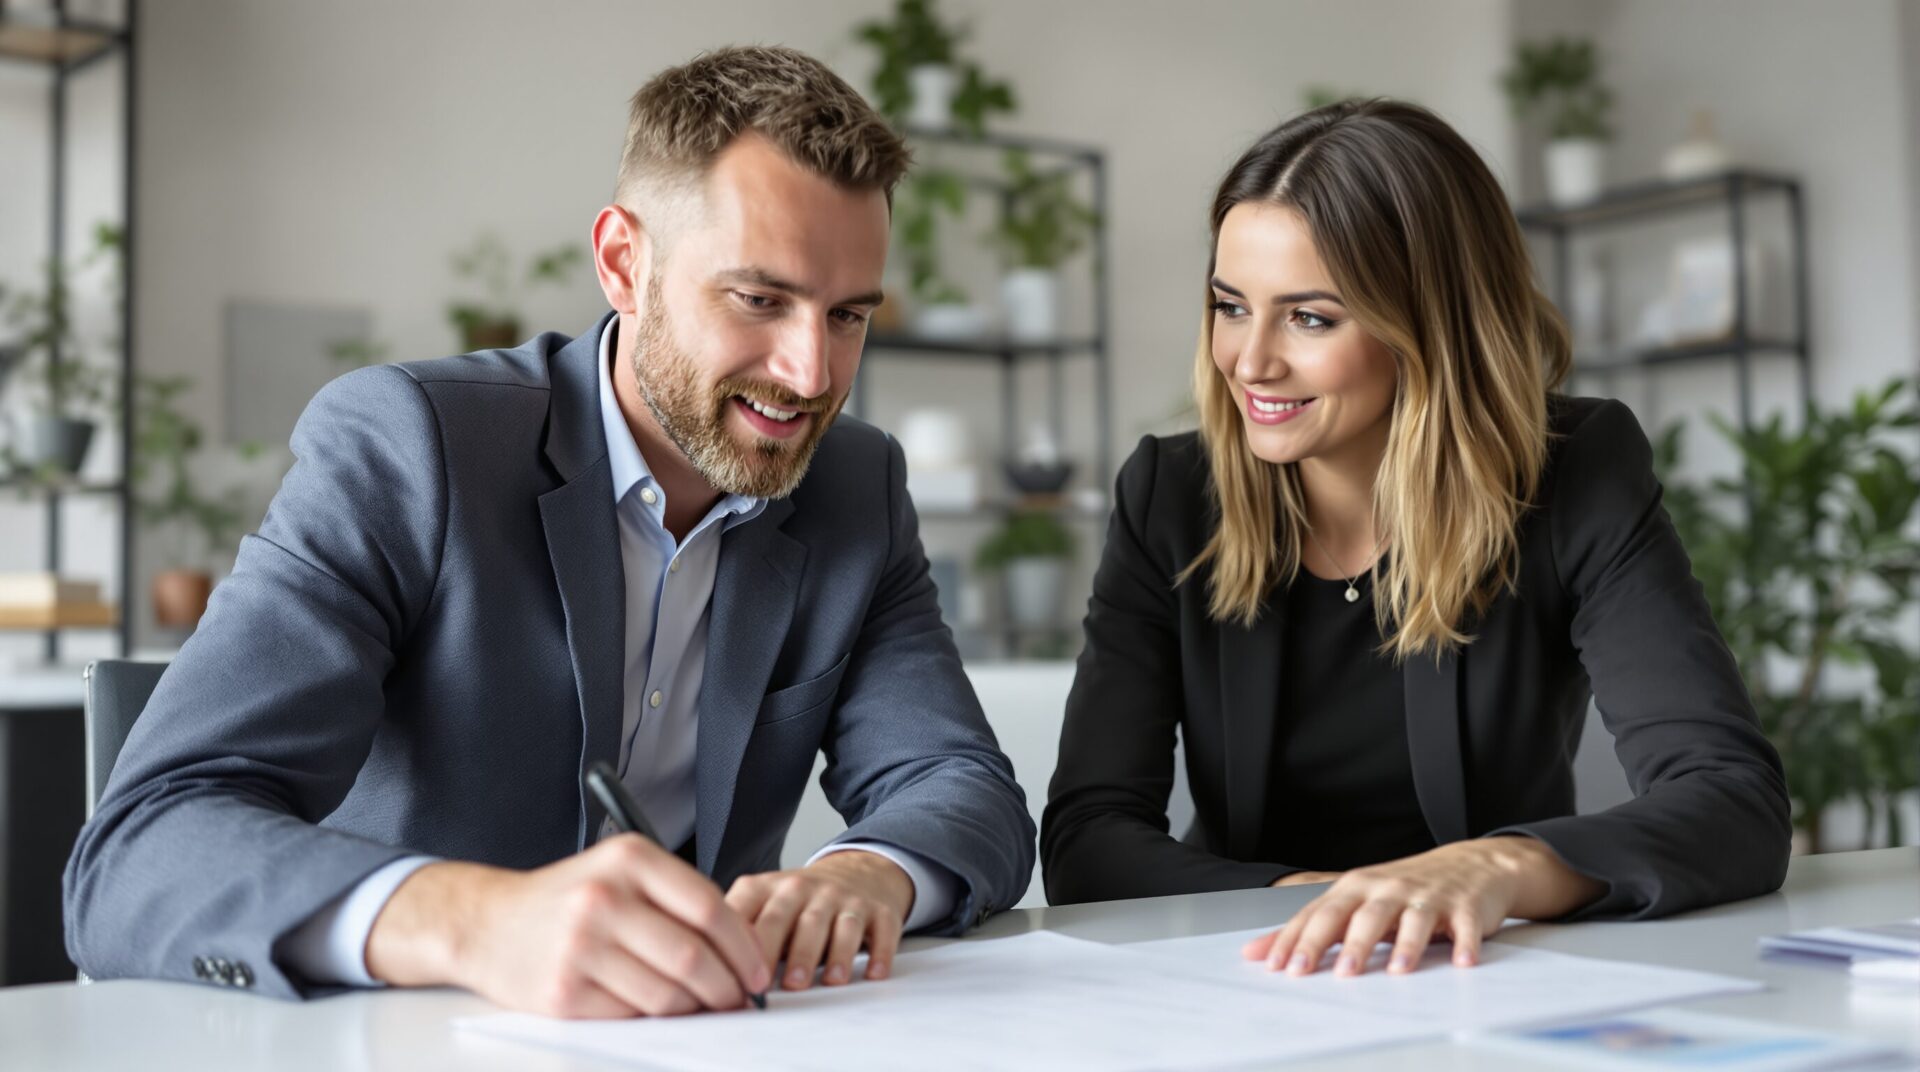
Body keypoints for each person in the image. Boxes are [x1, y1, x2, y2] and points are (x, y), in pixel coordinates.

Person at [65, 45, 1034, 1018]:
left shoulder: (855, 487)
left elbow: (960, 783)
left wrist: (867, 873)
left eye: (849, 316)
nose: (811, 373)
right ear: (623, 263)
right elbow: (140, 851)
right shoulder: (411, 446)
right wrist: (478, 922)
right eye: (760, 300)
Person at [1040, 99, 1789, 977]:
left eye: (1310, 318)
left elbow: (1732, 798)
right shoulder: (1170, 497)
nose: (1249, 360)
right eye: (1231, 306)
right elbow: (1089, 839)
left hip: (1485, 970)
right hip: (1252, 969)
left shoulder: (1575, 473)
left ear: (1432, 322)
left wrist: (1496, 869)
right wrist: (1323, 902)